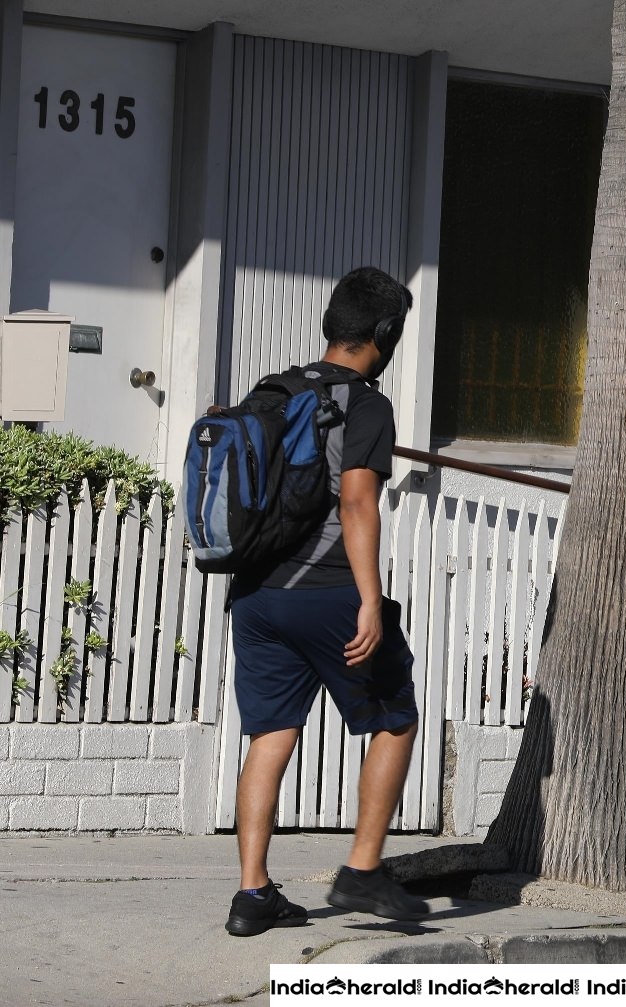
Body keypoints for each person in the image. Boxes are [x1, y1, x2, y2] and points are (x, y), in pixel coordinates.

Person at [223, 267, 430, 937]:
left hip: (255, 596)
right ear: (384, 333)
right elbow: (357, 500)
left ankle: (253, 892)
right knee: (396, 715)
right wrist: (370, 599)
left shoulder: (274, 391)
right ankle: (362, 871)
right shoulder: (366, 405)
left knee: (270, 735)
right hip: (328, 592)